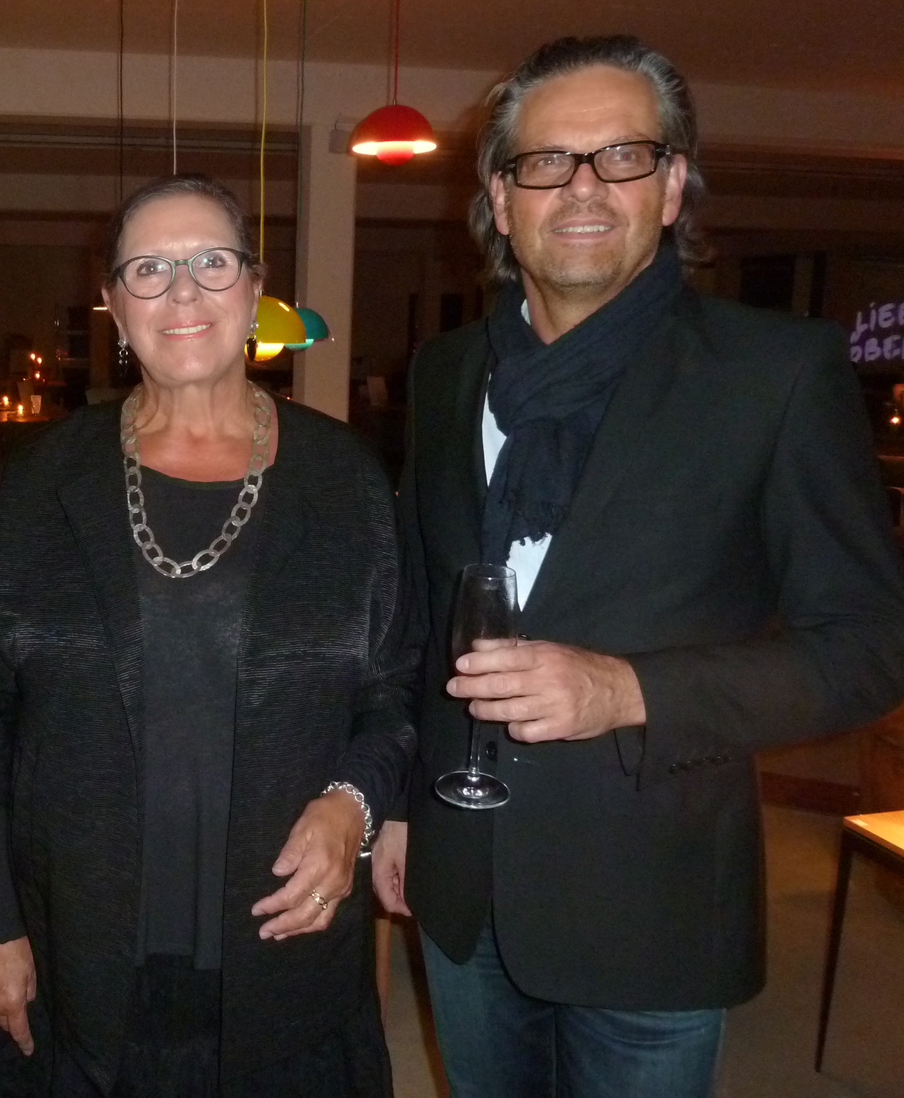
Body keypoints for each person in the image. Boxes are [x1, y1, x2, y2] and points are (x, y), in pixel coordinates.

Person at [373, 35, 904, 1098]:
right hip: (462, 882)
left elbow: (869, 648)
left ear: (669, 188)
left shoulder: (773, 374)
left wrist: (625, 690)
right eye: (545, 161)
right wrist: (399, 801)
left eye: (620, 156)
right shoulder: (444, 373)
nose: (581, 187)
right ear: (500, 199)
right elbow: (423, 614)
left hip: (650, 899)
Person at [0, 173, 418, 1096]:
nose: (184, 292)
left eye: (211, 263)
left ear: (254, 289)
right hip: (80, 942)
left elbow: (394, 686)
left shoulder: (345, 479)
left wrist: (354, 803)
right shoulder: (42, 481)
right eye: (149, 270)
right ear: (114, 306)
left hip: (285, 942)